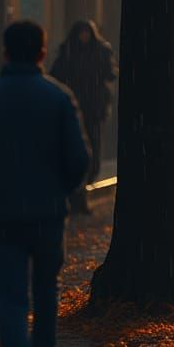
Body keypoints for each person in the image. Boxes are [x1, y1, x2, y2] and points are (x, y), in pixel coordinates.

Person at [0, 21, 90, 347]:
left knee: (10, 299)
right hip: (48, 214)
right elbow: (80, 159)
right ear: (43, 53)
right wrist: (59, 187)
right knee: (46, 292)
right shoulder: (59, 98)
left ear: (5, 53)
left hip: (3, 215)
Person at [50, 19, 117, 214]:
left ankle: (82, 190)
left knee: (93, 152)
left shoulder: (101, 51)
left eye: (87, 33)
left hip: (94, 110)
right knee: (77, 150)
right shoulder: (68, 52)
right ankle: (78, 195)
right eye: (81, 33)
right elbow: (57, 75)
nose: (84, 37)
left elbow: (110, 74)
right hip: (73, 108)